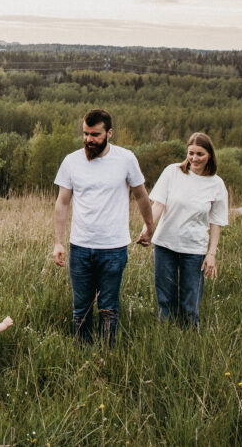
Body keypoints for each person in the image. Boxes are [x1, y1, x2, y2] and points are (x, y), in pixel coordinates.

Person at [52, 109, 154, 345]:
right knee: (81, 309)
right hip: (80, 247)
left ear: (109, 133)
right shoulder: (71, 161)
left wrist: (149, 228)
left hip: (114, 248)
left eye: (95, 135)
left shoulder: (126, 159)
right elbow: (62, 202)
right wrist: (58, 242)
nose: (89, 139)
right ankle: (81, 355)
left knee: (108, 309)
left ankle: (105, 356)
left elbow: (141, 195)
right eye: (85, 134)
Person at [137, 132, 228, 328]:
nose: (194, 158)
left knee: (190, 303)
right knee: (165, 300)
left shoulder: (216, 184)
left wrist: (211, 254)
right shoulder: (172, 172)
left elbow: (216, 222)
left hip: (194, 249)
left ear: (210, 155)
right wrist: (147, 229)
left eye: (200, 154)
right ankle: (166, 335)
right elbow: (158, 204)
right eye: (191, 153)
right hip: (165, 245)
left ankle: (190, 338)